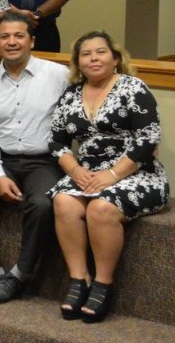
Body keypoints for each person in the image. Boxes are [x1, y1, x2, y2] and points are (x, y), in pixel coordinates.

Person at [50, 31, 168, 323]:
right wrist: (75, 170)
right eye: (86, 54)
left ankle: (103, 283)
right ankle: (79, 280)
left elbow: (148, 140)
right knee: (64, 202)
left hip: (137, 172)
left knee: (102, 208)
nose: (93, 58)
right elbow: (57, 142)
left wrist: (112, 175)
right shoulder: (70, 94)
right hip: (87, 173)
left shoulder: (132, 88)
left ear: (115, 58)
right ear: (78, 62)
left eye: (100, 52)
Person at [0, 13, 69, 304]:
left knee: (44, 203)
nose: (11, 42)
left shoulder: (58, 75)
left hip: (44, 161)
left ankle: (19, 275)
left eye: (19, 36)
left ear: (32, 40)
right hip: (3, 159)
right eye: (4, 36)